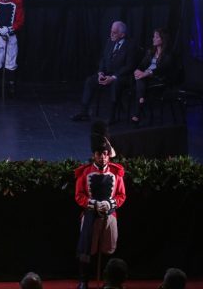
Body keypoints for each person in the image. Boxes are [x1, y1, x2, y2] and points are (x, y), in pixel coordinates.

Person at [74, 122, 126, 289]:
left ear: (108, 155)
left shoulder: (116, 173)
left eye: (105, 154)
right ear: (94, 155)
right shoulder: (84, 173)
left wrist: (110, 203)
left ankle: (108, 280)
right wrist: (94, 204)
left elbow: (121, 195)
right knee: (86, 249)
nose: (102, 157)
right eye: (99, 154)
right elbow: (79, 196)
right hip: (90, 215)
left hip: (110, 216)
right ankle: (83, 281)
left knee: (108, 248)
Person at [71, 21, 136, 124]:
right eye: (111, 31)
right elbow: (103, 58)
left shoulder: (130, 46)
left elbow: (129, 66)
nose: (111, 34)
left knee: (115, 84)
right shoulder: (110, 41)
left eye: (114, 32)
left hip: (121, 76)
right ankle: (84, 112)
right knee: (90, 81)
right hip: (107, 73)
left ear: (122, 35)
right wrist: (100, 72)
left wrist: (113, 77)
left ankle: (112, 116)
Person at [131, 28, 177, 124]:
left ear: (163, 39)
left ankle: (139, 104)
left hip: (159, 78)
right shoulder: (150, 52)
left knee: (140, 79)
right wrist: (137, 70)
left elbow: (163, 68)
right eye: (153, 37)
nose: (153, 39)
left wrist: (148, 73)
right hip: (146, 77)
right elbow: (142, 64)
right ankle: (141, 100)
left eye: (156, 37)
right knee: (139, 78)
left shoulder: (169, 53)